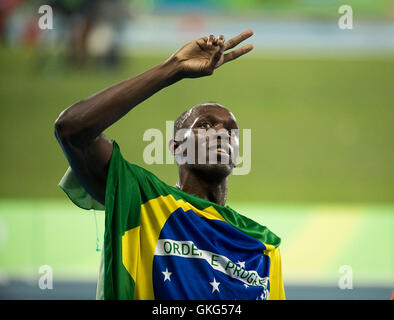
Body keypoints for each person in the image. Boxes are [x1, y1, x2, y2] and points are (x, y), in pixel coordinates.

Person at [55, 29, 285, 300]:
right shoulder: (141, 199)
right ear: (177, 146)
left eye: (231, 130)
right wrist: (173, 68)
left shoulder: (263, 245)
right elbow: (72, 130)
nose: (222, 132)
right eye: (206, 125)